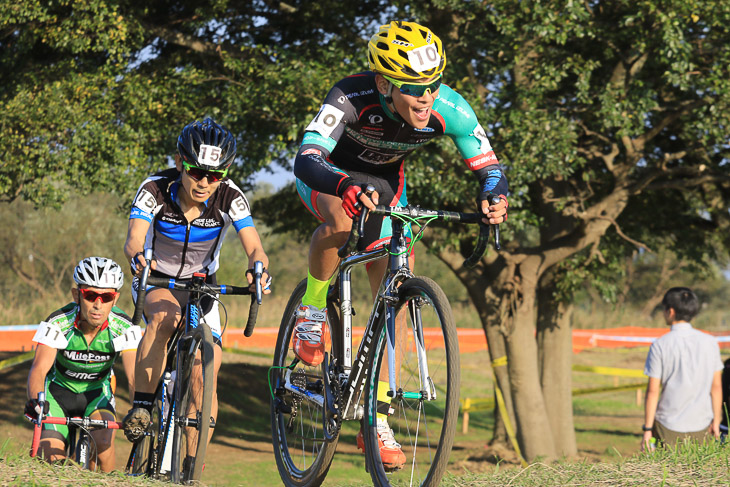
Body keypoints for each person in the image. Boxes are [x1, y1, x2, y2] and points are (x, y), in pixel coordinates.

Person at [292, 20, 508, 470]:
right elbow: (308, 156)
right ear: (384, 83)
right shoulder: (349, 96)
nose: (426, 97)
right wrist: (343, 183)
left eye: (431, 85)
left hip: (388, 184)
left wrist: (493, 195)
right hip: (329, 175)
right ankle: (312, 308)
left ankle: (377, 416)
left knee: (397, 285)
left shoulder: (452, 108)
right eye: (413, 88)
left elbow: (489, 165)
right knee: (339, 217)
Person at [121, 118, 272, 457]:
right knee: (165, 318)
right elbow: (133, 239)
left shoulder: (231, 197)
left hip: (203, 286)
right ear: (179, 162)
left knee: (208, 369)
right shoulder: (156, 188)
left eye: (216, 175)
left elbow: (255, 248)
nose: (205, 182)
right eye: (197, 171)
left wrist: (257, 270)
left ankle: (193, 464)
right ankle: (142, 407)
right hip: (158, 276)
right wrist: (138, 259)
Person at [25, 257, 137, 472]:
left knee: (103, 444)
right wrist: (35, 400)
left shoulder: (124, 326)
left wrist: (138, 408)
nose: (98, 304)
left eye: (106, 297)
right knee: (52, 463)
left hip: (97, 394)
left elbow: (133, 377)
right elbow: (38, 369)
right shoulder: (58, 322)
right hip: (57, 394)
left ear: (115, 299)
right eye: (90, 295)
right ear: (77, 294)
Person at [641, 287, 724, 450]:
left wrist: (647, 430)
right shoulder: (710, 343)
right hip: (702, 424)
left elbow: (652, 392)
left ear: (670, 311)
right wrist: (716, 420)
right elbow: (716, 387)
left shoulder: (659, 345)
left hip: (667, 426)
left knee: (667, 473)